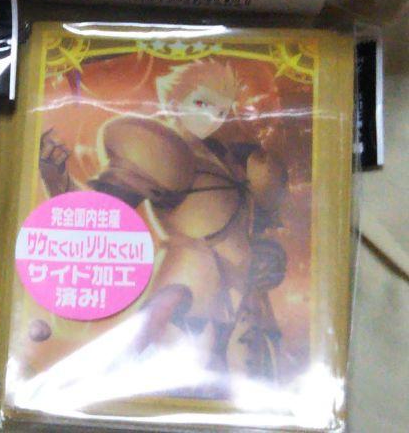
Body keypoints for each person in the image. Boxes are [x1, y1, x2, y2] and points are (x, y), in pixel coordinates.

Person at [39, 58, 290, 381]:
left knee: (250, 376)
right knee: (152, 359)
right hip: (191, 277)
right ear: (174, 101)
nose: (212, 117)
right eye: (201, 103)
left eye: (221, 110)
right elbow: (102, 215)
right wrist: (58, 179)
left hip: (243, 288)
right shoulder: (161, 151)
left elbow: (257, 220)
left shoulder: (230, 157)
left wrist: (266, 252)